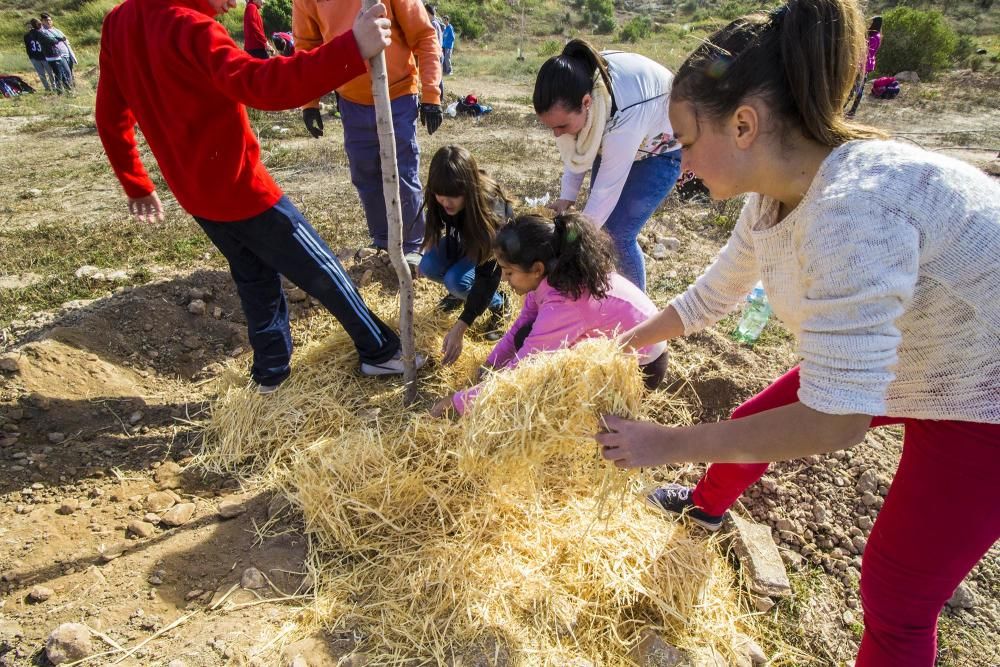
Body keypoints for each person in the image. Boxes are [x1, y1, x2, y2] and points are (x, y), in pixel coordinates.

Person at [593, 1, 1000, 665]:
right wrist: (623, 343)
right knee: (757, 418)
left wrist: (664, 442)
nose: (683, 165)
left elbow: (833, 421)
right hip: (920, 348)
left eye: (686, 141)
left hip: (986, 390)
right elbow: (710, 297)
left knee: (896, 591)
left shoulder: (851, 210)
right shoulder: (775, 191)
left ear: (745, 124)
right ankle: (705, 507)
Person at [96, 0, 425, 389]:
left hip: (195, 193)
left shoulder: (119, 21)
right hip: (242, 190)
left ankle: (271, 373)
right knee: (322, 269)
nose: (234, 4)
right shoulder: (193, 30)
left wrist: (135, 182)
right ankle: (380, 352)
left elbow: (109, 110)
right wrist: (351, 47)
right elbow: (263, 85)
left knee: (253, 277)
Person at [433, 213, 667, 417]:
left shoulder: (565, 305)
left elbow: (522, 370)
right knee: (526, 335)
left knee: (545, 390)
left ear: (536, 269)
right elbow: (520, 327)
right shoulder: (553, 279)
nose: (503, 279)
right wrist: (488, 368)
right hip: (614, 349)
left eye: (509, 272)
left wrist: (458, 403)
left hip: (640, 369)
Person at [293, 0, 443, 267]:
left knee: (402, 170)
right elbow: (306, 46)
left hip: (397, 93)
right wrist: (310, 102)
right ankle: (383, 241)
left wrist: (431, 94)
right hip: (350, 100)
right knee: (364, 173)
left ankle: (414, 245)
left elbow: (424, 35)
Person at [533, 39, 682, 293]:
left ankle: (636, 317)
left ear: (587, 103)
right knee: (596, 233)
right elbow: (577, 149)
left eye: (562, 126)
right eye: (552, 127)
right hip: (620, 138)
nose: (557, 135)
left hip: (660, 150)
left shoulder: (622, 117)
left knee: (616, 235)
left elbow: (605, 192)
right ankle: (605, 297)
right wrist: (567, 196)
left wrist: (570, 242)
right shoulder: (580, 89)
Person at [419, 146, 512, 362]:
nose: (445, 202)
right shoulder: (440, 194)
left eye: (453, 196)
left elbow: (488, 276)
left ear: (469, 190)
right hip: (464, 238)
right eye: (440, 195)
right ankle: (460, 294)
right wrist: (430, 238)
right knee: (428, 265)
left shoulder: (491, 214)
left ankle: (499, 304)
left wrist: (462, 325)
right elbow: (434, 212)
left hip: (484, 243)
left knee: (456, 281)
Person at [846, 16, 882, 116]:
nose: (870, 24)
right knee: (854, 87)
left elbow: (866, 50)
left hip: (863, 65)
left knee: (857, 88)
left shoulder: (875, 37)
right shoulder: (875, 35)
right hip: (863, 64)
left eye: (872, 22)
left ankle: (852, 110)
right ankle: (848, 108)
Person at [38, 13, 73, 92]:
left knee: (69, 73)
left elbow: (65, 39)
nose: (49, 22)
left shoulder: (56, 30)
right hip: (58, 55)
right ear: (42, 21)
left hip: (67, 53)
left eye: (50, 20)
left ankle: (68, 89)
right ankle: (66, 90)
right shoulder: (43, 32)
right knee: (65, 73)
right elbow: (52, 40)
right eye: (46, 20)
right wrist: (60, 39)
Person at [23, 19, 54, 92]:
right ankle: (47, 88)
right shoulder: (26, 36)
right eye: (28, 27)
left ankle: (54, 86)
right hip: (35, 57)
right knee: (41, 74)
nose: (29, 28)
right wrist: (30, 57)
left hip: (44, 56)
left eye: (30, 26)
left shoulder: (40, 33)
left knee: (50, 73)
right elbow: (28, 47)